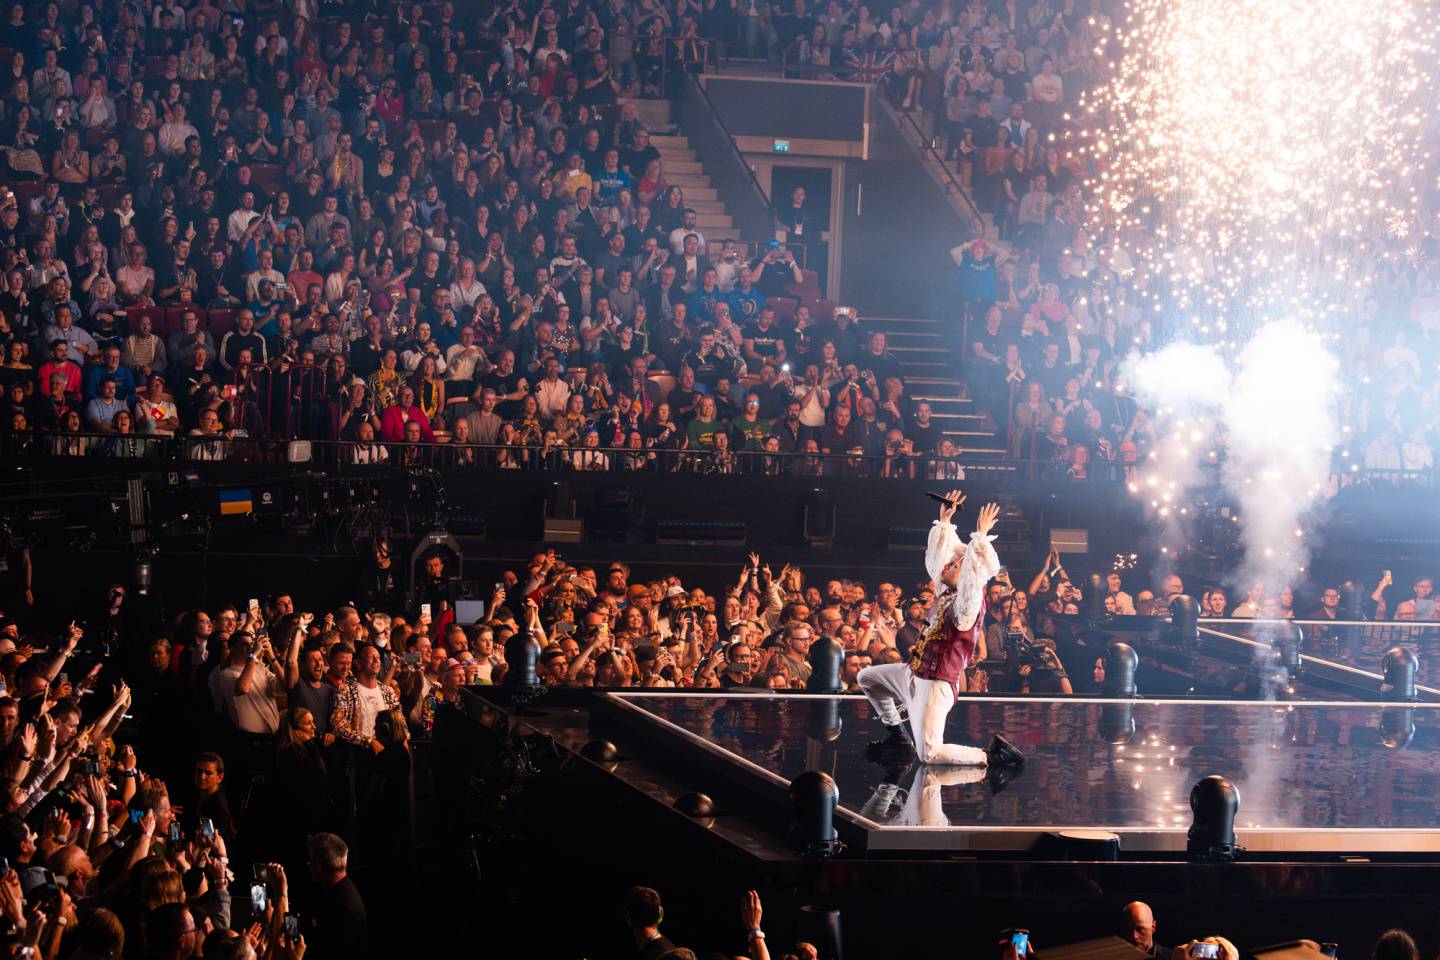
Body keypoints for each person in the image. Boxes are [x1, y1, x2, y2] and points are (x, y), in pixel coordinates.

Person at [857, 490, 1025, 769]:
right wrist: (945, 522)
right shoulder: (946, 593)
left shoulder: (967, 606)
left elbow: (973, 577)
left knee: (929, 755)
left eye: (957, 563)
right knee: (867, 678)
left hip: (935, 683)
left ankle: (992, 756)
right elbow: (938, 562)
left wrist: (981, 536)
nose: (948, 564)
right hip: (913, 672)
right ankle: (898, 736)